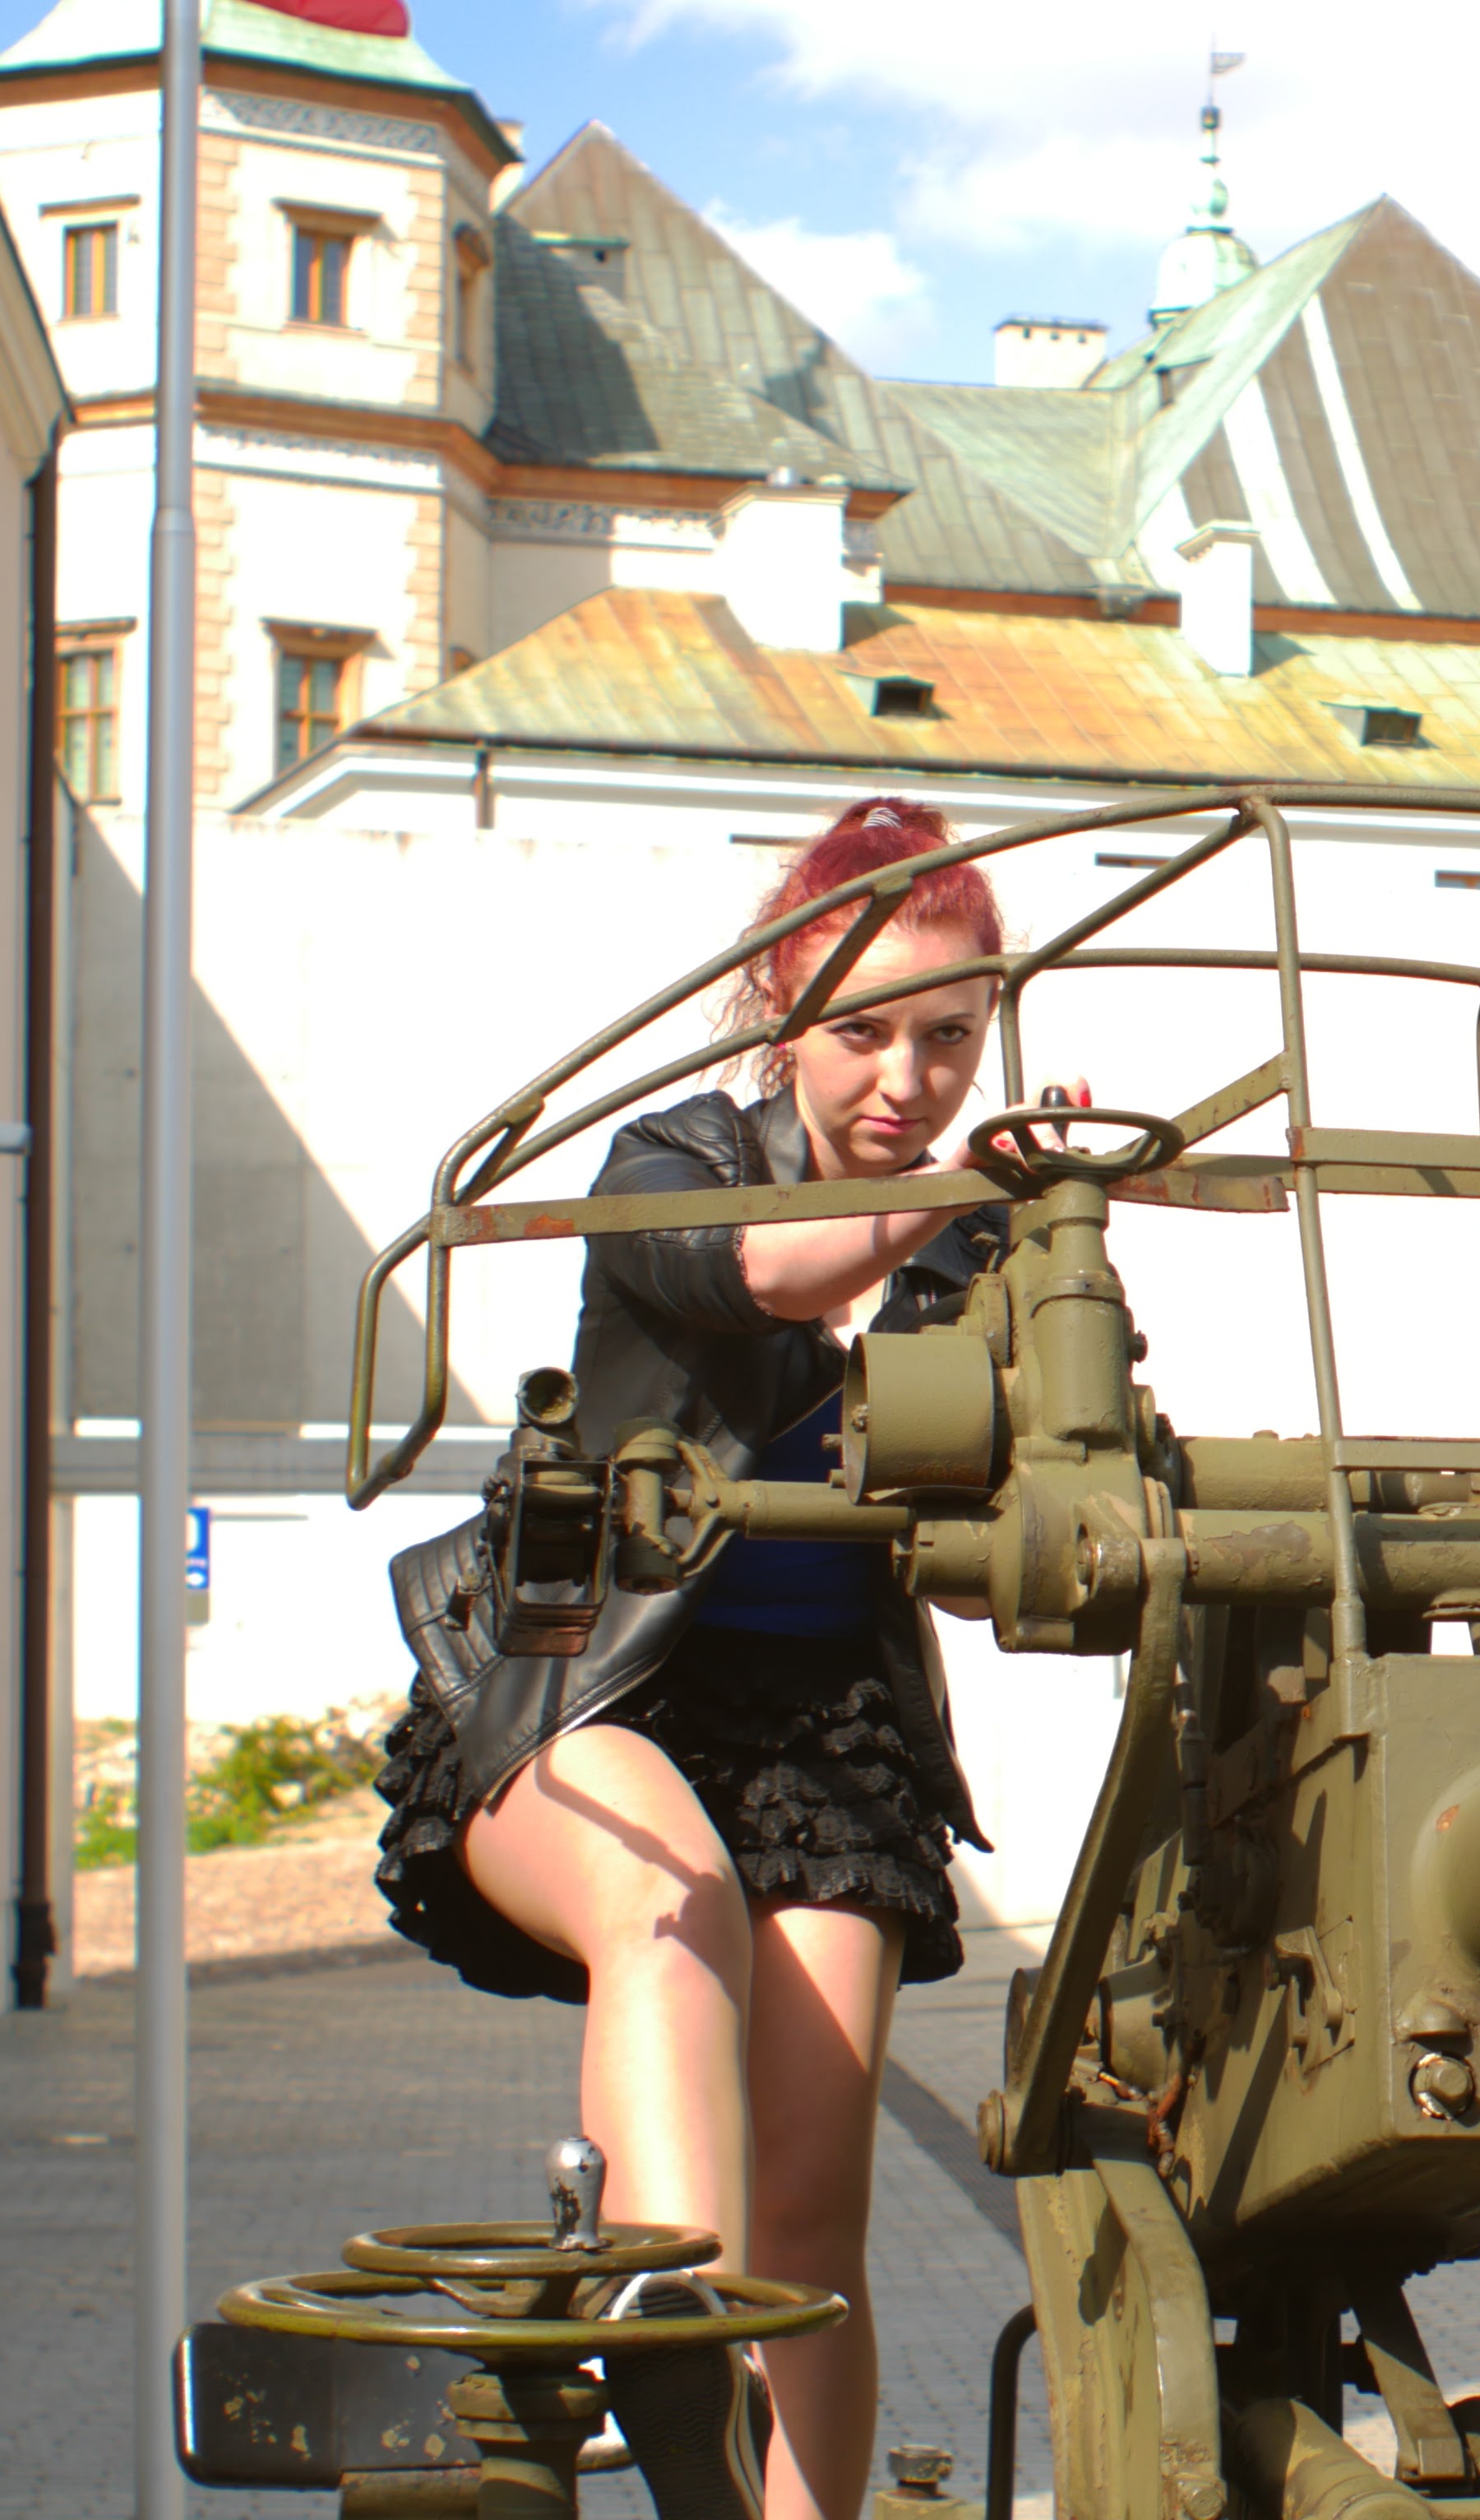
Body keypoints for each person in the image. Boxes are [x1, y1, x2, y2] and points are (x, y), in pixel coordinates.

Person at [372, 796, 1057, 2520]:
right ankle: (674, 2345)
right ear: (778, 1001)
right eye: (865, 1031)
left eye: (950, 1036)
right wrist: (959, 1193)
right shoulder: (674, 1160)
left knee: (816, 2201)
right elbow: (759, 1275)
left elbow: (1009, 1527)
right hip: (594, 1687)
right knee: (669, 1908)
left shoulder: (977, 1239)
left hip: (826, 1741)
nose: (908, 1077)